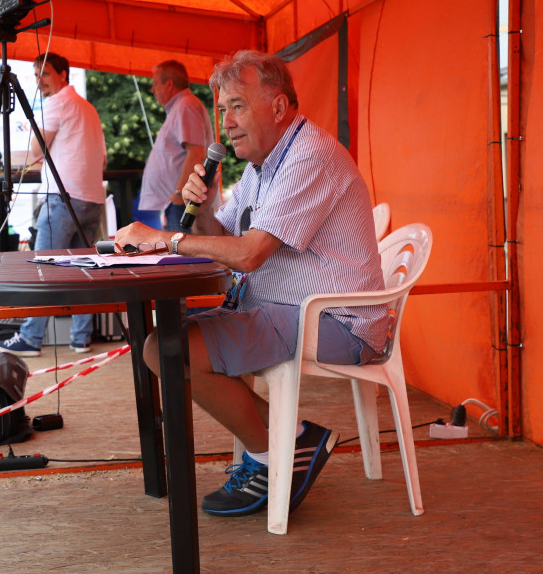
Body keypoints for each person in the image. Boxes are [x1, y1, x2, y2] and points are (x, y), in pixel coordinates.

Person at [115, 50, 388, 517]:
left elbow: (248, 254)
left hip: (337, 322)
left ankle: (277, 452)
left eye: (238, 106)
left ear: (279, 108)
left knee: (166, 350)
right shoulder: (263, 166)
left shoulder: (308, 155)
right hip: (284, 310)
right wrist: (196, 211)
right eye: (222, 110)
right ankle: (291, 440)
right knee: (171, 343)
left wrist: (164, 239)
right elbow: (223, 239)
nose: (227, 124)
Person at [0, 52, 107, 357]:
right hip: (92, 198)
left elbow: (35, 151)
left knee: (43, 268)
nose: (39, 81)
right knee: (84, 269)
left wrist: (10, 159)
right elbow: (103, 157)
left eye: (44, 74)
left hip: (63, 198)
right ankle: (81, 337)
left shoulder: (57, 103)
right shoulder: (88, 107)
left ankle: (30, 337)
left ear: (63, 74)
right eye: (35, 75)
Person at [139, 60, 219, 233]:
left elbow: (196, 153)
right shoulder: (181, 106)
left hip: (182, 202)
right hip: (178, 201)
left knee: (181, 257)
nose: (152, 90)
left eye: (155, 84)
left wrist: (177, 195)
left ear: (169, 85)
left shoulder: (186, 106)